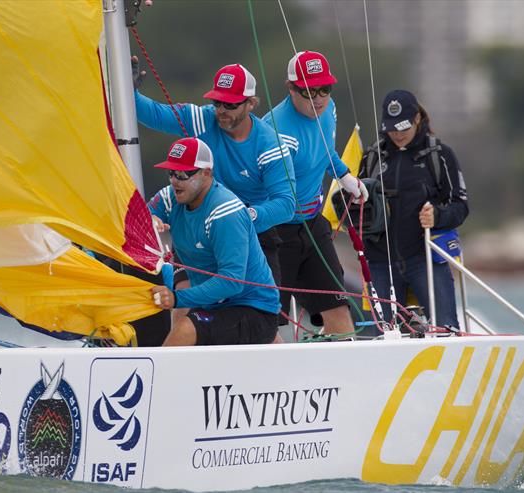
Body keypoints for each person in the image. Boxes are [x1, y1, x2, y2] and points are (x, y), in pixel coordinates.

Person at [135, 62, 295, 286]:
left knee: (264, 315)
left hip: (250, 233)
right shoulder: (202, 119)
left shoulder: (270, 145)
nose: (221, 110)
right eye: (217, 101)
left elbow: (286, 204)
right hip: (197, 228)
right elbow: (154, 114)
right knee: (182, 305)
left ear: (251, 103)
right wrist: (129, 91)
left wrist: (241, 216)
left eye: (229, 104)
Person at [262, 51, 368, 337]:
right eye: (310, 91)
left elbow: (325, 149)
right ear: (291, 88)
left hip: (312, 225)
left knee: (339, 311)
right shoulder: (276, 131)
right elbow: (276, 192)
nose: (319, 98)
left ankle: (345, 379)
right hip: (275, 231)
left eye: (325, 89)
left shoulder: (329, 109)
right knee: (268, 321)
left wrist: (345, 176)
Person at [148, 137, 280, 346]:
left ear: (206, 173)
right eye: (171, 172)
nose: (175, 181)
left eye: (183, 174)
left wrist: (176, 298)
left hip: (253, 310)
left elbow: (232, 281)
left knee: (184, 328)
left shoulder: (224, 213)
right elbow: (142, 215)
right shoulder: (172, 196)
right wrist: (151, 220)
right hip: (216, 307)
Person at [363, 89, 468, 329]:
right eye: (391, 128)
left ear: (417, 119)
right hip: (380, 261)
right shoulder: (372, 156)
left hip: (426, 257)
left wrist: (437, 216)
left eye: (403, 127)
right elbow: (356, 206)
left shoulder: (440, 155)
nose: (397, 134)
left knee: (445, 329)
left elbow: (461, 206)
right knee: (382, 335)